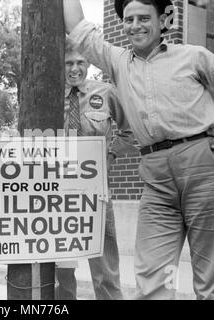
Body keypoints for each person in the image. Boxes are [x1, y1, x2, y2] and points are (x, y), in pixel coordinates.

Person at [63, 0, 214, 299]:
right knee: (155, 276)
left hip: (204, 169)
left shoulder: (194, 56)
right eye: (128, 19)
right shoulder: (118, 61)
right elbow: (77, 26)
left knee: (210, 278)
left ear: (163, 19)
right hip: (157, 179)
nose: (135, 25)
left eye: (143, 18)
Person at [55, 40, 137, 300]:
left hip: (96, 193)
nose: (75, 68)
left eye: (80, 62)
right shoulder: (48, 97)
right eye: (69, 63)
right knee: (61, 267)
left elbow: (128, 130)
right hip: (57, 193)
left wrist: (111, 156)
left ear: (88, 63)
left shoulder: (108, 93)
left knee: (105, 268)